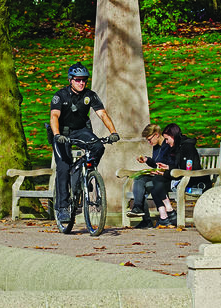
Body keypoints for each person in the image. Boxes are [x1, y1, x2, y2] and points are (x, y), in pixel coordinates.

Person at [50, 62, 120, 222]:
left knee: (98, 147)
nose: (81, 83)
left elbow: (102, 114)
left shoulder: (90, 95)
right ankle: (62, 208)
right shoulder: (60, 96)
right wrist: (57, 134)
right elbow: (54, 116)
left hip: (81, 130)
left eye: (84, 80)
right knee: (63, 167)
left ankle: (85, 169)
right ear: (70, 80)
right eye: (78, 80)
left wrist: (113, 132)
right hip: (62, 132)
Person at [152, 123, 213, 226]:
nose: (166, 142)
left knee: (157, 182)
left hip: (191, 181)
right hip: (181, 178)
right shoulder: (177, 146)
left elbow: (188, 169)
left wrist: (167, 171)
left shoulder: (187, 147)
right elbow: (179, 167)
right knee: (155, 185)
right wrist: (167, 168)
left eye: (167, 139)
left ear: (173, 136)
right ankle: (167, 214)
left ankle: (170, 214)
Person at [127, 124, 178, 228]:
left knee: (148, 185)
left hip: (166, 178)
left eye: (150, 139)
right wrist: (147, 160)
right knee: (139, 178)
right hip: (157, 175)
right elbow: (156, 163)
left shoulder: (168, 144)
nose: (149, 142)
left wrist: (161, 169)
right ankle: (137, 208)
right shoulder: (156, 147)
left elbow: (172, 164)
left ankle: (147, 219)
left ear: (157, 135)